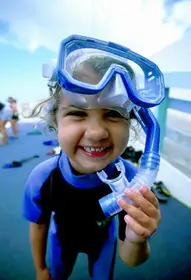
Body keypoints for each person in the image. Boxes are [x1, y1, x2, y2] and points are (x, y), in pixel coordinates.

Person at [23, 35, 164, 280]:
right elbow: (38, 224)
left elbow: (132, 260)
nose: (97, 132)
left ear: (132, 122)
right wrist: (40, 268)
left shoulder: (131, 183)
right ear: (55, 122)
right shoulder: (43, 177)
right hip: (61, 243)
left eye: (113, 112)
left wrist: (137, 239)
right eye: (78, 112)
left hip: (102, 245)